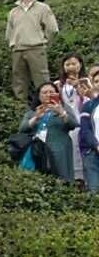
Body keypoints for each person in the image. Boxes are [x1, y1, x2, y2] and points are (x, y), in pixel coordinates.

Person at [6, 0, 60, 108]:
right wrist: (12, 44)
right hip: (17, 50)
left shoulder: (43, 8)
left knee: (42, 81)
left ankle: (49, 108)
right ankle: (20, 110)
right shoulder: (14, 11)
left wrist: (44, 43)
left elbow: (52, 29)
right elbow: (9, 32)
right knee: (19, 82)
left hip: (36, 48)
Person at [19, 82, 80, 181]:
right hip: (38, 151)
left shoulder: (64, 108)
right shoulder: (33, 112)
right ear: (38, 96)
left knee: (61, 178)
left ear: (57, 94)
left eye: (51, 92)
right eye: (44, 92)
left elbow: (74, 124)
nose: (48, 95)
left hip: (59, 149)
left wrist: (61, 113)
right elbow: (22, 128)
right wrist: (36, 117)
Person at [54, 54, 87, 187]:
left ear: (80, 64)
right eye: (67, 64)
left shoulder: (86, 81)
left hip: (84, 118)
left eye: (74, 63)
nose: (71, 67)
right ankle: (73, 178)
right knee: (71, 149)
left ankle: (85, 179)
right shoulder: (58, 84)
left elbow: (91, 97)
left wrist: (80, 88)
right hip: (68, 120)